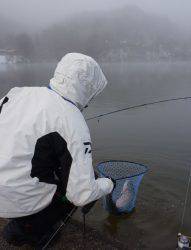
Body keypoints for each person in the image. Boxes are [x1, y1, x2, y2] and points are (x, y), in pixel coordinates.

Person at [0, 53, 114, 247]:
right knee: (87, 182)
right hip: (17, 201)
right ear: (87, 89)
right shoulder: (73, 121)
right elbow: (81, 195)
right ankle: (31, 232)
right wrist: (108, 184)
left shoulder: (17, 93)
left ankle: (24, 224)